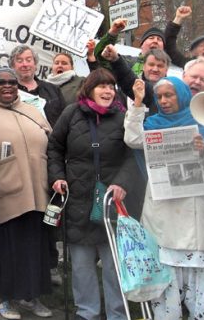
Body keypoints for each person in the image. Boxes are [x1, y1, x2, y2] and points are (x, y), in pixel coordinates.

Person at [125, 77, 204, 319]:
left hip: (194, 210)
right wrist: (137, 102)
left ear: (183, 95)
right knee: (166, 284)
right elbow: (133, 139)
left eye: (170, 95)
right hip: (162, 211)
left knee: (198, 284)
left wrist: (203, 152)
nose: (165, 101)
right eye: (160, 97)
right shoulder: (153, 124)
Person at [48, 68, 135, 320]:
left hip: (111, 201)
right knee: (82, 264)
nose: (108, 91)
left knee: (113, 265)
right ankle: (87, 312)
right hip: (77, 198)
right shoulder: (71, 113)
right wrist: (57, 176)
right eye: (102, 86)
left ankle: (117, 313)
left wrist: (122, 182)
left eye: (111, 86)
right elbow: (54, 147)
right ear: (89, 88)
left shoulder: (122, 116)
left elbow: (132, 155)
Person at [0, 68, 53, 320]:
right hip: (4, 190)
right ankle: (5, 298)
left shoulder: (32, 110)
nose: (7, 86)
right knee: (9, 247)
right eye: (1, 82)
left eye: (12, 82)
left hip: (39, 189)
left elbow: (51, 141)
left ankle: (31, 296)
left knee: (37, 247)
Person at [9, 45, 65, 126]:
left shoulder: (53, 89)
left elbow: (65, 121)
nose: (25, 64)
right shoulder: (8, 93)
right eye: (19, 61)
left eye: (28, 60)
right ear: (12, 66)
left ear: (35, 65)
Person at [94, 17, 165, 76]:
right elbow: (102, 56)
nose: (155, 41)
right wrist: (113, 32)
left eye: (159, 39)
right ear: (142, 45)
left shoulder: (168, 73)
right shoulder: (128, 62)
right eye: (151, 38)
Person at [45, 39, 98, 103]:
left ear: (72, 67)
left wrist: (90, 55)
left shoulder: (81, 82)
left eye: (64, 63)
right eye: (56, 63)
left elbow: (97, 79)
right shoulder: (44, 86)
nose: (60, 65)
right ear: (52, 67)